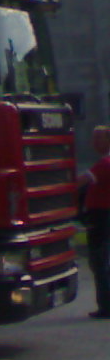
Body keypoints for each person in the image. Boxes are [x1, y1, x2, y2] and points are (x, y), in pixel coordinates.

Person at [79, 125, 110, 317]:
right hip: (102, 215)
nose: (93, 143)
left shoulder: (104, 164)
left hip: (101, 216)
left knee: (99, 261)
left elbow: (80, 181)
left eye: (98, 139)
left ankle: (106, 306)